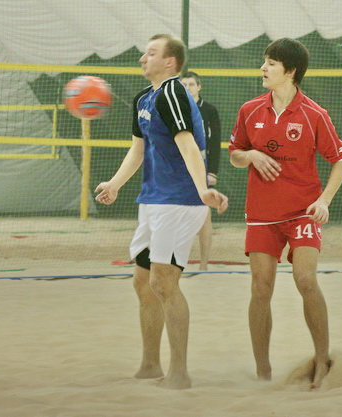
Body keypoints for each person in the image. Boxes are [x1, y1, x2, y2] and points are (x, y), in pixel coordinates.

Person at [94, 34, 228, 390]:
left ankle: (179, 372)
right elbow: (138, 149)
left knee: (163, 282)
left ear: (170, 62)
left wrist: (203, 188)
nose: (143, 58)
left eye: (151, 53)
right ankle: (150, 365)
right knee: (142, 281)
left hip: (180, 201)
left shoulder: (172, 93)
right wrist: (115, 184)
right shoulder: (144, 98)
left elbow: (188, 144)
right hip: (153, 199)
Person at [228, 38, 342, 390]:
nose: (263, 68)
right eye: (264, 61)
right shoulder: (250, 110)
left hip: (302, 212)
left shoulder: (315, 114)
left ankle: (322, 362)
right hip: (262, 214)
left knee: (306, 280)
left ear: (291, 71)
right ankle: (263, 371)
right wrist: (250, 156)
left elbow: (340, 161)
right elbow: (235, 154)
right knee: (261, 288)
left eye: (271, 63)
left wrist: (324, 201)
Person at [180, 72, 222, 271]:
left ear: (199, 87)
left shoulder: (209, 110)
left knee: (204, 214)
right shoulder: (175, 109)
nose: (188, 88)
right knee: (177, 214)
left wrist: (212, 171)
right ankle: (176, 262)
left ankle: (204, 264)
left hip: (201, 167)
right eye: (184, 85)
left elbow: (215, 142)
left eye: (191, 84)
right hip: (177, 167)